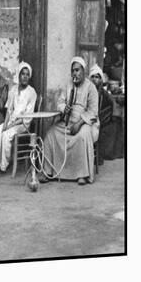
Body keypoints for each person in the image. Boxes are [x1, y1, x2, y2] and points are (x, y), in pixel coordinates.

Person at [41, 56, 99, 185]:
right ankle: (49, 171)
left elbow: (93, 112)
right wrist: (64, 108)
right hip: (67, 121)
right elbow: (60, 102)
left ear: (84, 71)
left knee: (83, 136)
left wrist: (79, 123)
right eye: (73, 71)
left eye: (78, 70)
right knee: (50, 134)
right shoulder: (68, 85)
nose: (75, 73)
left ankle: (82, 174)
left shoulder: (91, 88)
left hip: (85, 122)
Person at [0, 62, 37, 173]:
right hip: (10, 121)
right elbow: (9, 109)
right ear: (18, 75)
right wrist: (5, 124)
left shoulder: (32, 92)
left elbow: (27, 117)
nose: (25, 77)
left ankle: (3, 166)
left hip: (22, 124)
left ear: (30, 76)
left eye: (27, 74)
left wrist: (10, 126)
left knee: (6, 135)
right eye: (23, 74)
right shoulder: (13, 89)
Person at [89, 64, 114, 163]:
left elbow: (110, 106)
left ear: (101, 79)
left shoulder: (103, 93)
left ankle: (97, 157)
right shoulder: (87, 91)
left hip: (98, 119)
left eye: (97, 77)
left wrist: (101, 117)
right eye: (93, 77)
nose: (95, 79)